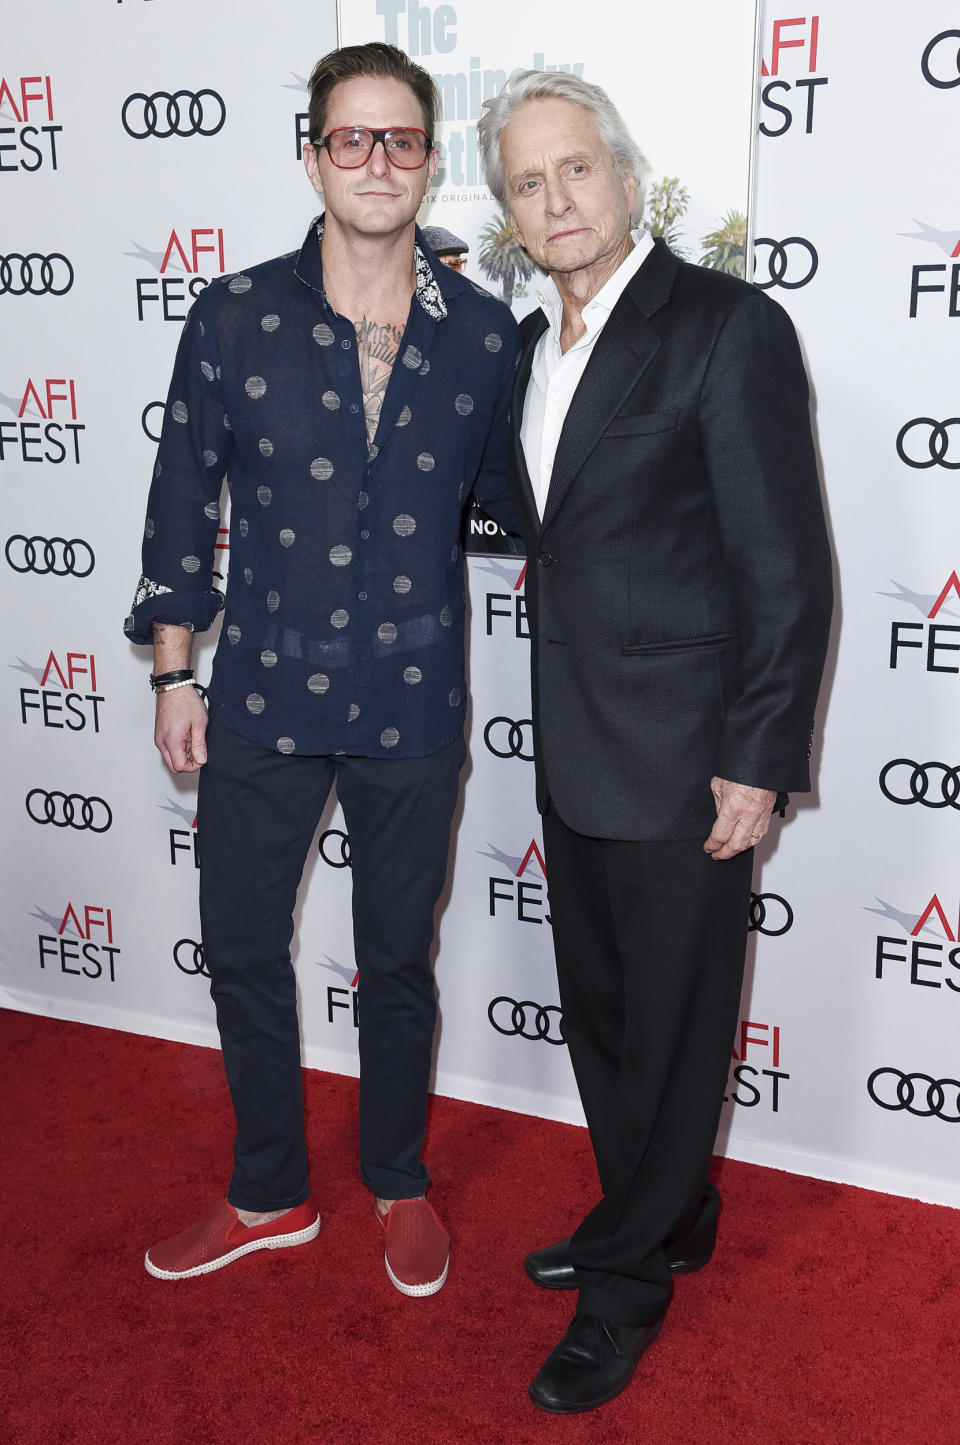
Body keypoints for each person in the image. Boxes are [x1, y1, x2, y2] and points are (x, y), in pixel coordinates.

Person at [124, 41, 518, 1298]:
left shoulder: (487, 337)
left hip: (412, 699)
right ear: (312, 154)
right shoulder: (232, 313)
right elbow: (182, 497)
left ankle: (397, 1179)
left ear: (429, 161)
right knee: (241, 942)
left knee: (397, 956)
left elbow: (519, 503)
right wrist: (174, 672)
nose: (377, 161)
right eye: (351, 138)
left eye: (401, 139)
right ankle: (268, 1189)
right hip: (263, 696)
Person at [477, 72, 832, 1412]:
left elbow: (783, 563)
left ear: (624, 177)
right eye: (526, 180)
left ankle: (627, 1286)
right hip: (575, 743)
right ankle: (665, 1208)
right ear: (506, 209)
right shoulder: (523, 347)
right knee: (611, 1017)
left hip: (689, 751)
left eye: (577, 169)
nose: (556, 199)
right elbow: (535, 520)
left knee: (675, 1031)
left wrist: (759, 753)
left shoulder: (724, 327)